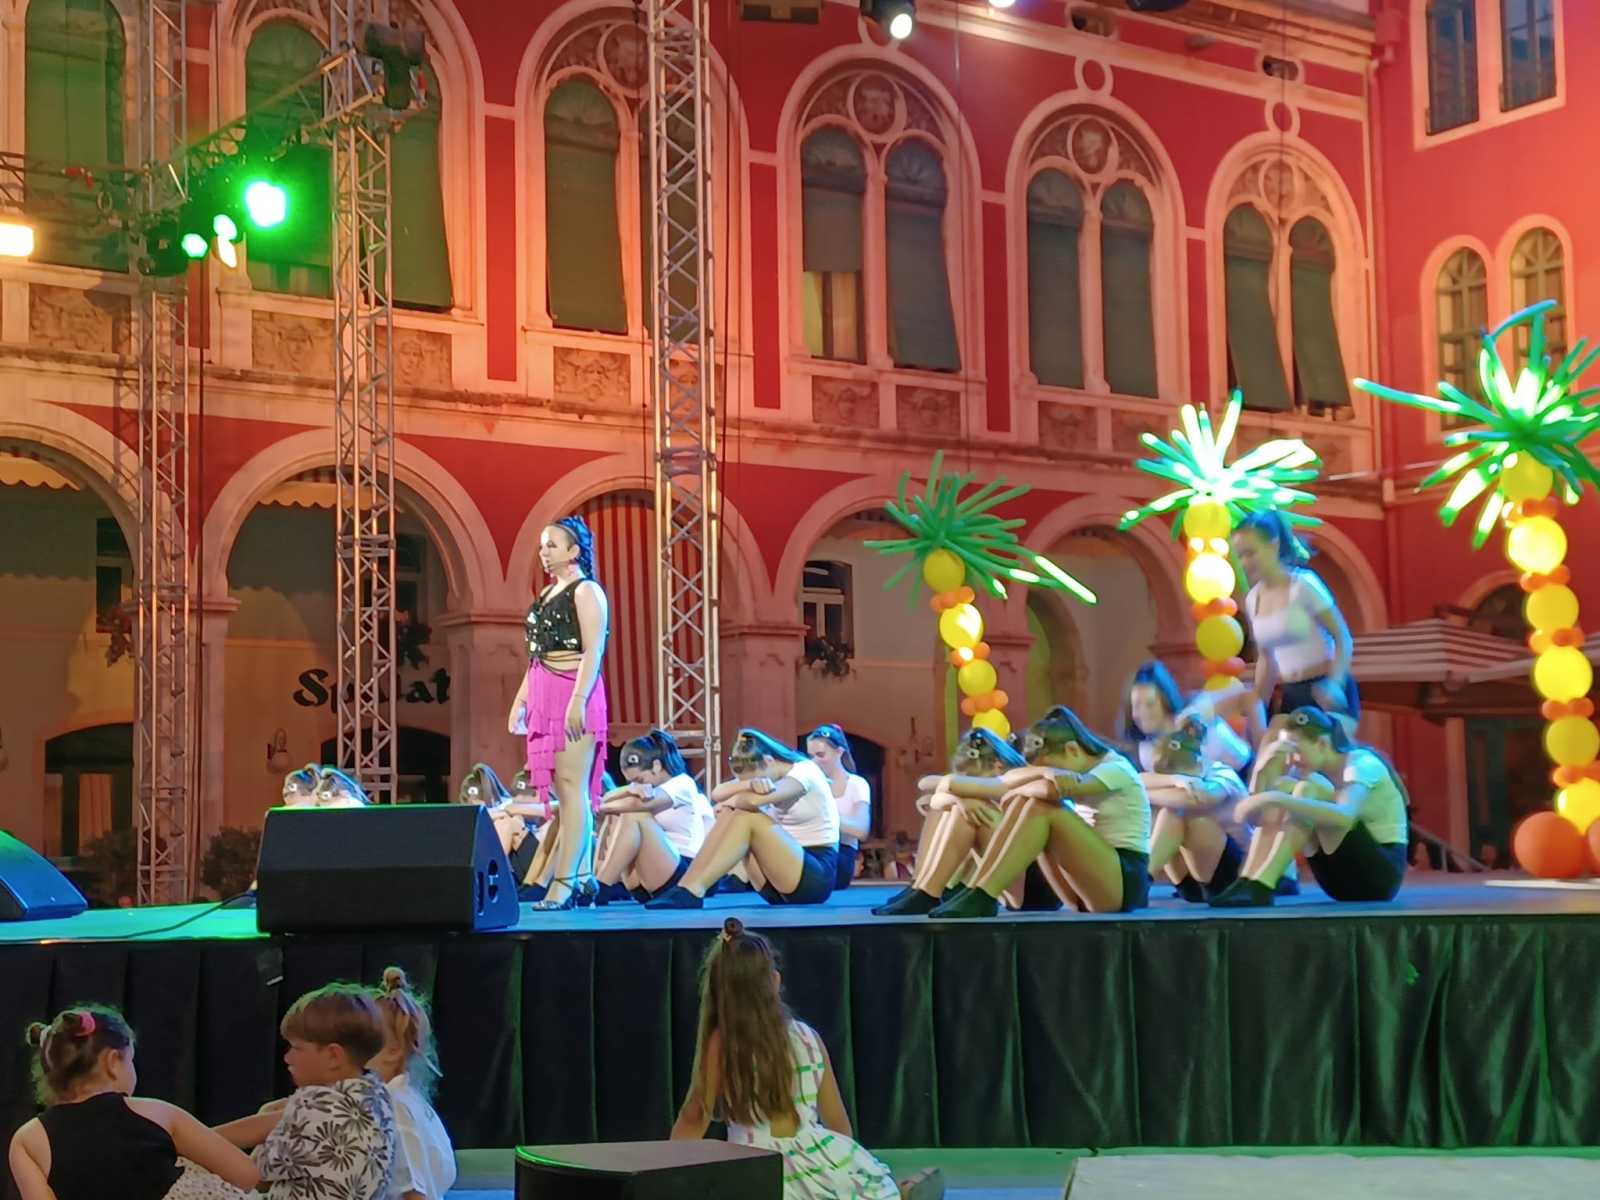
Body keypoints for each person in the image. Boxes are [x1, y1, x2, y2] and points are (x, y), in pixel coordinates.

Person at [670, 919, 944, 1200]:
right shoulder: (807, 1037)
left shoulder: (724, 1043)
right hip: (817, 1160)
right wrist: (847, 1168)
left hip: (756, 1167)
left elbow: (696, 1115)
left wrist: (665, 1171)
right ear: (774, 981)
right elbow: (838, 1123)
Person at [8, 1006, 259, 1200]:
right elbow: (246, 1175)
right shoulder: (157, 1113)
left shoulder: (28, 1139)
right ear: (112, 1061)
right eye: (131, 1061)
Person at [930, 707, 1151, 918]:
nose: (1053, 775)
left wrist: (1019, 790)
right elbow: (1007, 780)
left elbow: (1048, 790)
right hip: (1084, 887)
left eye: (1055, 769)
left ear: (1072, 750)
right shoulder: (1063, 770)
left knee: (1042, 806)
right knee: (1028, 801)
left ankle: (985, 894)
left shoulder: (1115, 768)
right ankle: (978, 890)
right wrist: (1045, 772)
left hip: (1123, 880)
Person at [507, 515, 609, 910]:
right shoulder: (548, 594)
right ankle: (582, 878)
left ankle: (564, 883)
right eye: (542, 546)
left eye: (551, 545)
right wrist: (521, 700)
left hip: (573, 690)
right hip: (544, 689)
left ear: (574, 551)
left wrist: (578, 701)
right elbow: (537, 656)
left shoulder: (587, 591)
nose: (544, 552)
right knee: (564, 789)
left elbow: (593, 651)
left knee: (571, 788)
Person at [1210, 707, 1409, 907]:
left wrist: (1275, 799)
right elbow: (1255, 818)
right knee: (1287, 787)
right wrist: (1262, 771)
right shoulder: (1307, 771)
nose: (1291, 759)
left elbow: (1345, 816)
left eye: (1295, 751)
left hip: (1378, 878)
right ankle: (1250, 879)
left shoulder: (1361, 764)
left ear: (1322, 744)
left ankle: (1264, 883)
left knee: (1305, 789)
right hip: (1335, 881)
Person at [216, 984, 396, 1200]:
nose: (287, 1058)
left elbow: (251, 1174)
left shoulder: (316, 1108)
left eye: (296, 1048)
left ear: (333, 1056)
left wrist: (191, 1142)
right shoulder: (378, 1098)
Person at [872, 728, 1064, 917]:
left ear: (998, 766)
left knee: (968, 807)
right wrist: (958, 800)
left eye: (971, 780)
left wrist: (958, 797)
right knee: (949, 807)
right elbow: (930, 787)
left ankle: (930, 893)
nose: (968, 784)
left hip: (1031, 889)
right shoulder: (990, 783)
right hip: (1005, 880)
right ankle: (922, 886)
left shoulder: (1018, 782)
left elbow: (947, 784)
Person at [1196, 510, 1358, 732]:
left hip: (1325, 689)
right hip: (1291, 693)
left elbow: (1342, 637)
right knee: (1269, 752)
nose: (1245, 562)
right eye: (1240, 555)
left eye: (1251, 553)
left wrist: (1335, 684)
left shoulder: (1304, 585)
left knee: (1319, 752)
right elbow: (1267, 659)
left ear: (1273, 545)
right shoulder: (1253, 598)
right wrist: (1257, 702)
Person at [645, 730, 839, 910]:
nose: (755, 785)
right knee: (732, 812)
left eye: (756, 778)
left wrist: (732, 800)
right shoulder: (761, 774)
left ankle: (693, 890)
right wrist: (749, 784)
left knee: (745, 814)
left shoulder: (805, 771)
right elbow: (717, 792)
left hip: (813, 876)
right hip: (774, 883)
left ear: (769, 761)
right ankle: (687, 886)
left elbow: (753, 801)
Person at [593, 730, 712, 903]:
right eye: (631, 782)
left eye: (639, 780)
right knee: (615, 814)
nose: (637, 785)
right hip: (646, 876)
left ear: (656, 766)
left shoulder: (682, 783)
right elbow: (607, 798)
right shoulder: (644, 788)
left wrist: (600, 807)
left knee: (634, 815)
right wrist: (630, 790)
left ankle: (602, 886)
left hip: (681, 873)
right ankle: (597, 879)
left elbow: (640, 806)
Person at [1140, 718, 1249, 902]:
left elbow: (1202, 799)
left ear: (1199, 763)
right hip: (1192, 882)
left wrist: (1146, 794)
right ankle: (1143, 879)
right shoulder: (1176, 780)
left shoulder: (1222, 773)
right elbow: (1136, 780)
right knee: (1165, 813)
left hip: (1235, 875)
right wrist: (1175, 780)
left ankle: (1141, 880)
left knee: (1182, 814)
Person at [371, 968, 456, 1200]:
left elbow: (415, 1192)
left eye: (361, 1039)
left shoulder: (392, 1106)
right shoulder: (408, 1097)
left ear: (393, 1051)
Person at [806, 725, 871, 890]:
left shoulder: (857, 784)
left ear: (839, 752)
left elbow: (861, 830)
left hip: (841, 854)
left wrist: (822, 818)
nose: (814, 762)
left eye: (820, 755)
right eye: (811, 756)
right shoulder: (807, 785)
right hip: (809, 848)